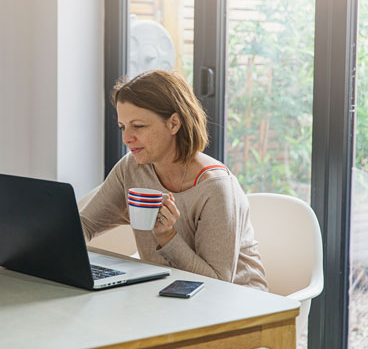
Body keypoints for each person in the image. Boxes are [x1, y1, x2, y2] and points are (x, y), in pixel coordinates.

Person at [80, 70, 268, 291]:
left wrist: (167, 236)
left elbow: (218, 283)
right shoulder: (132, 168)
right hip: (168, 295)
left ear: (173, 123)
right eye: (123, 127)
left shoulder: (215, 187)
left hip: (241, 307)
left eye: (138, 126)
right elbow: (86, 225)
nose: (126, 138)